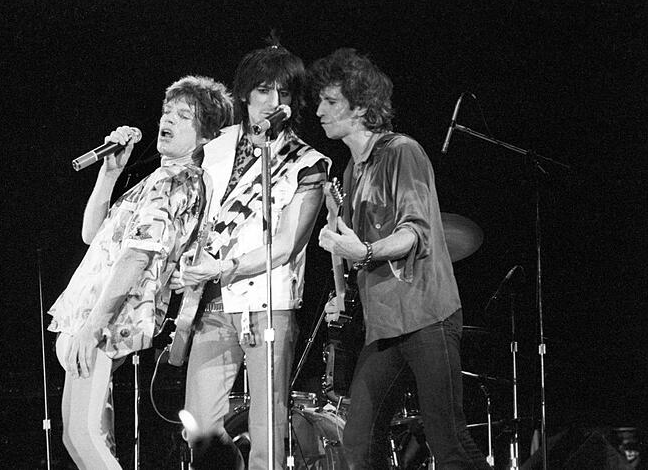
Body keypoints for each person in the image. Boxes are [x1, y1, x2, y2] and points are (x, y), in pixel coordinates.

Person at [310, 48, 491, 469]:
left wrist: (365, 250)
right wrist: (340, 255)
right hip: (386, 326)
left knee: (449, 443)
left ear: (361, 106)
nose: (319, 110)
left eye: (331, 101)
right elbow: (355, 250)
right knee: (357, 441)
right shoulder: (353, 171)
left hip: (427, 315)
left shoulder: (401, 151)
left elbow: (416, 232)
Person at [46, 75, 234, 469]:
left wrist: (96, 322)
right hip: (96, 313)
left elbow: (139, 256)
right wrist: (110, 173)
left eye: (184, 116)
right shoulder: (156, 180)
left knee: (82, 433)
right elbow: (92, 235)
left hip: (110, 316)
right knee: (74, 434)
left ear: (204, 136)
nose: (168, 120)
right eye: (168, 111)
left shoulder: (180, 179)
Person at [170, 41, 329, 470]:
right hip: (213, 304)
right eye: (263, 90)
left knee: (267, 432)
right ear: (244, 93)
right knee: (200, 428)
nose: (272, 102)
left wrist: (226, 266)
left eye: (284, 93)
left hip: (268, 305)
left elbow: (287, 246)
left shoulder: (309, 163)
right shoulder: (214, 146)